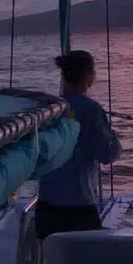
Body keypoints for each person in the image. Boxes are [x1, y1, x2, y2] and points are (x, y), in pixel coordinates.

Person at [36, 50, 119, 239]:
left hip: (46, 208)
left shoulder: (47, 109)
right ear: (88, 77)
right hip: (78, 209)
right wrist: (114, 139)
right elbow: (107, 155)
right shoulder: (92, 110)